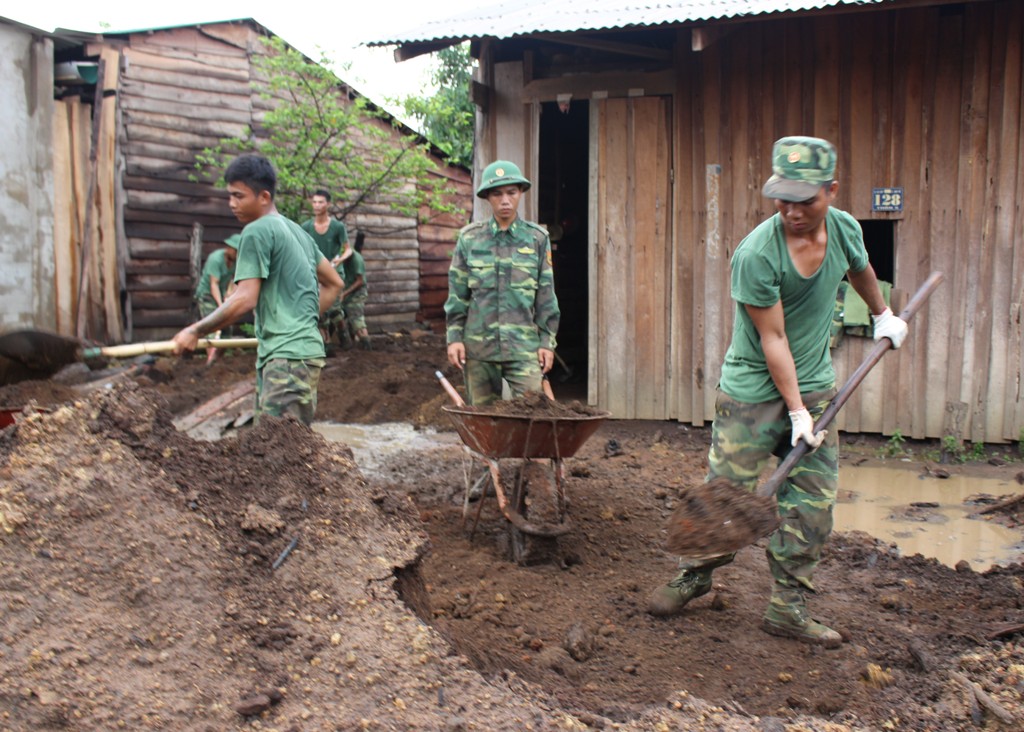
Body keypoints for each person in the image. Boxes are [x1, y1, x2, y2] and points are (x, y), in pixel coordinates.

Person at [647, 136, 909, 648]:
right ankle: (695, 576)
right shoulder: (756, 255)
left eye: (804, 199)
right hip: (750, 395)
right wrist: (795, 413)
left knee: (813, 505)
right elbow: (774, 338)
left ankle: (787, 608)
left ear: (831, 191)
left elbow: (860, 268)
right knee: (725, 499)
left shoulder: (846, 230)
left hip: (814, 391)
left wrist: (882, 314)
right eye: (782, 199)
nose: (791, 210)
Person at [172, 154, 343, 426]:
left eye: (239, 196)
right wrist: (302, 318)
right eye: (230, 196)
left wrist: (195, 330)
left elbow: (245, 297)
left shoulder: (257, 231)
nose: (232, 204)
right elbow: (335, 283)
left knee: (280, 453)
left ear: (263, 197)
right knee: (271, 446)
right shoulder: (298, 232)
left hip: (286, 357)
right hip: (296, 353)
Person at [445, 160, 560, 406]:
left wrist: (546, 343)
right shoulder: (470, 239)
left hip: (523, 350)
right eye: (497, 193)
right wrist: (454, 337)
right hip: (479, 350)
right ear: (487, 197)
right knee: (485, 425)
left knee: (533, 417)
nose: (505, 200)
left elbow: (546, 297)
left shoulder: (537, 239)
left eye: (511, 192)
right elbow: (458, 294)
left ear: (520, 193)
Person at [193, 233, 239, 365]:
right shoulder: (216, 259)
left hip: (222, 294)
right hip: (207, 295)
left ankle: (217, 360)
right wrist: (221, 305)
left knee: (227, 329)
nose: (237, 254)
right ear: (229, 248)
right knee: (211, 326)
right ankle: (210, 362)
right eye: (235, 250)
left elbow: (235, 281)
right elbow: (214, 284)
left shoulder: (237, 262)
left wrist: (230, 297)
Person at [323, 247, 371, 350]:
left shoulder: (356, 259)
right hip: (345, 290)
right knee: (336, 314)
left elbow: (360, 281)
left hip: (357, 292)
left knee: (356, 319)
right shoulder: (340, 258)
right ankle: (345, 342)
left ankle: (366, 345)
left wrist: (344, 294)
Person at [301, 189, 352, 266]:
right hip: (314, 270)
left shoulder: (338, 226)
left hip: (333, 269)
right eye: (314, 202)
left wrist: (340, 259)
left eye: (320, 202)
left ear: (328, 204)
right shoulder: (306, 227)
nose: (317, 205)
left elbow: (348, 249)